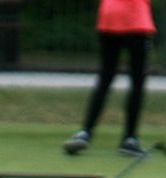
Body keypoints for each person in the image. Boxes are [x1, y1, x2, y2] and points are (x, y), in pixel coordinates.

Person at [63, 0, 155, 158]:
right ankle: (130, 138)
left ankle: (85, 132)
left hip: (109, 16)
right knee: (137, 81)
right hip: (135, 18)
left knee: (105, 78)